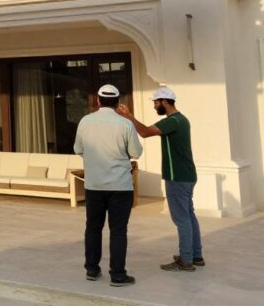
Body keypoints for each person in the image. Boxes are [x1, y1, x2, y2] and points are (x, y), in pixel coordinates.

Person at [117, 86, 203, 272]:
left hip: (177, 176)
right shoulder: (182, 119)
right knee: (189, 215)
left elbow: (145, 132)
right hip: (187, 175)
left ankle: (186, 260)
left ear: (164, 102)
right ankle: (196, 255)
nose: (154, 106)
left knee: (181, 219)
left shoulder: (172, 121)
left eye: (156, 103)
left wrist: (129, 116)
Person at [74, 85, 142, 287]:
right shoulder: (125, 124)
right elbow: (136, 152)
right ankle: (118, 275)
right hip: (120, 186)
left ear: (98, 100)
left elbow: (78, 149)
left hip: (94, 184)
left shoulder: (85, 121)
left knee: (93, 227)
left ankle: (92, 269)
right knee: (118, 230)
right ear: (118, 102)